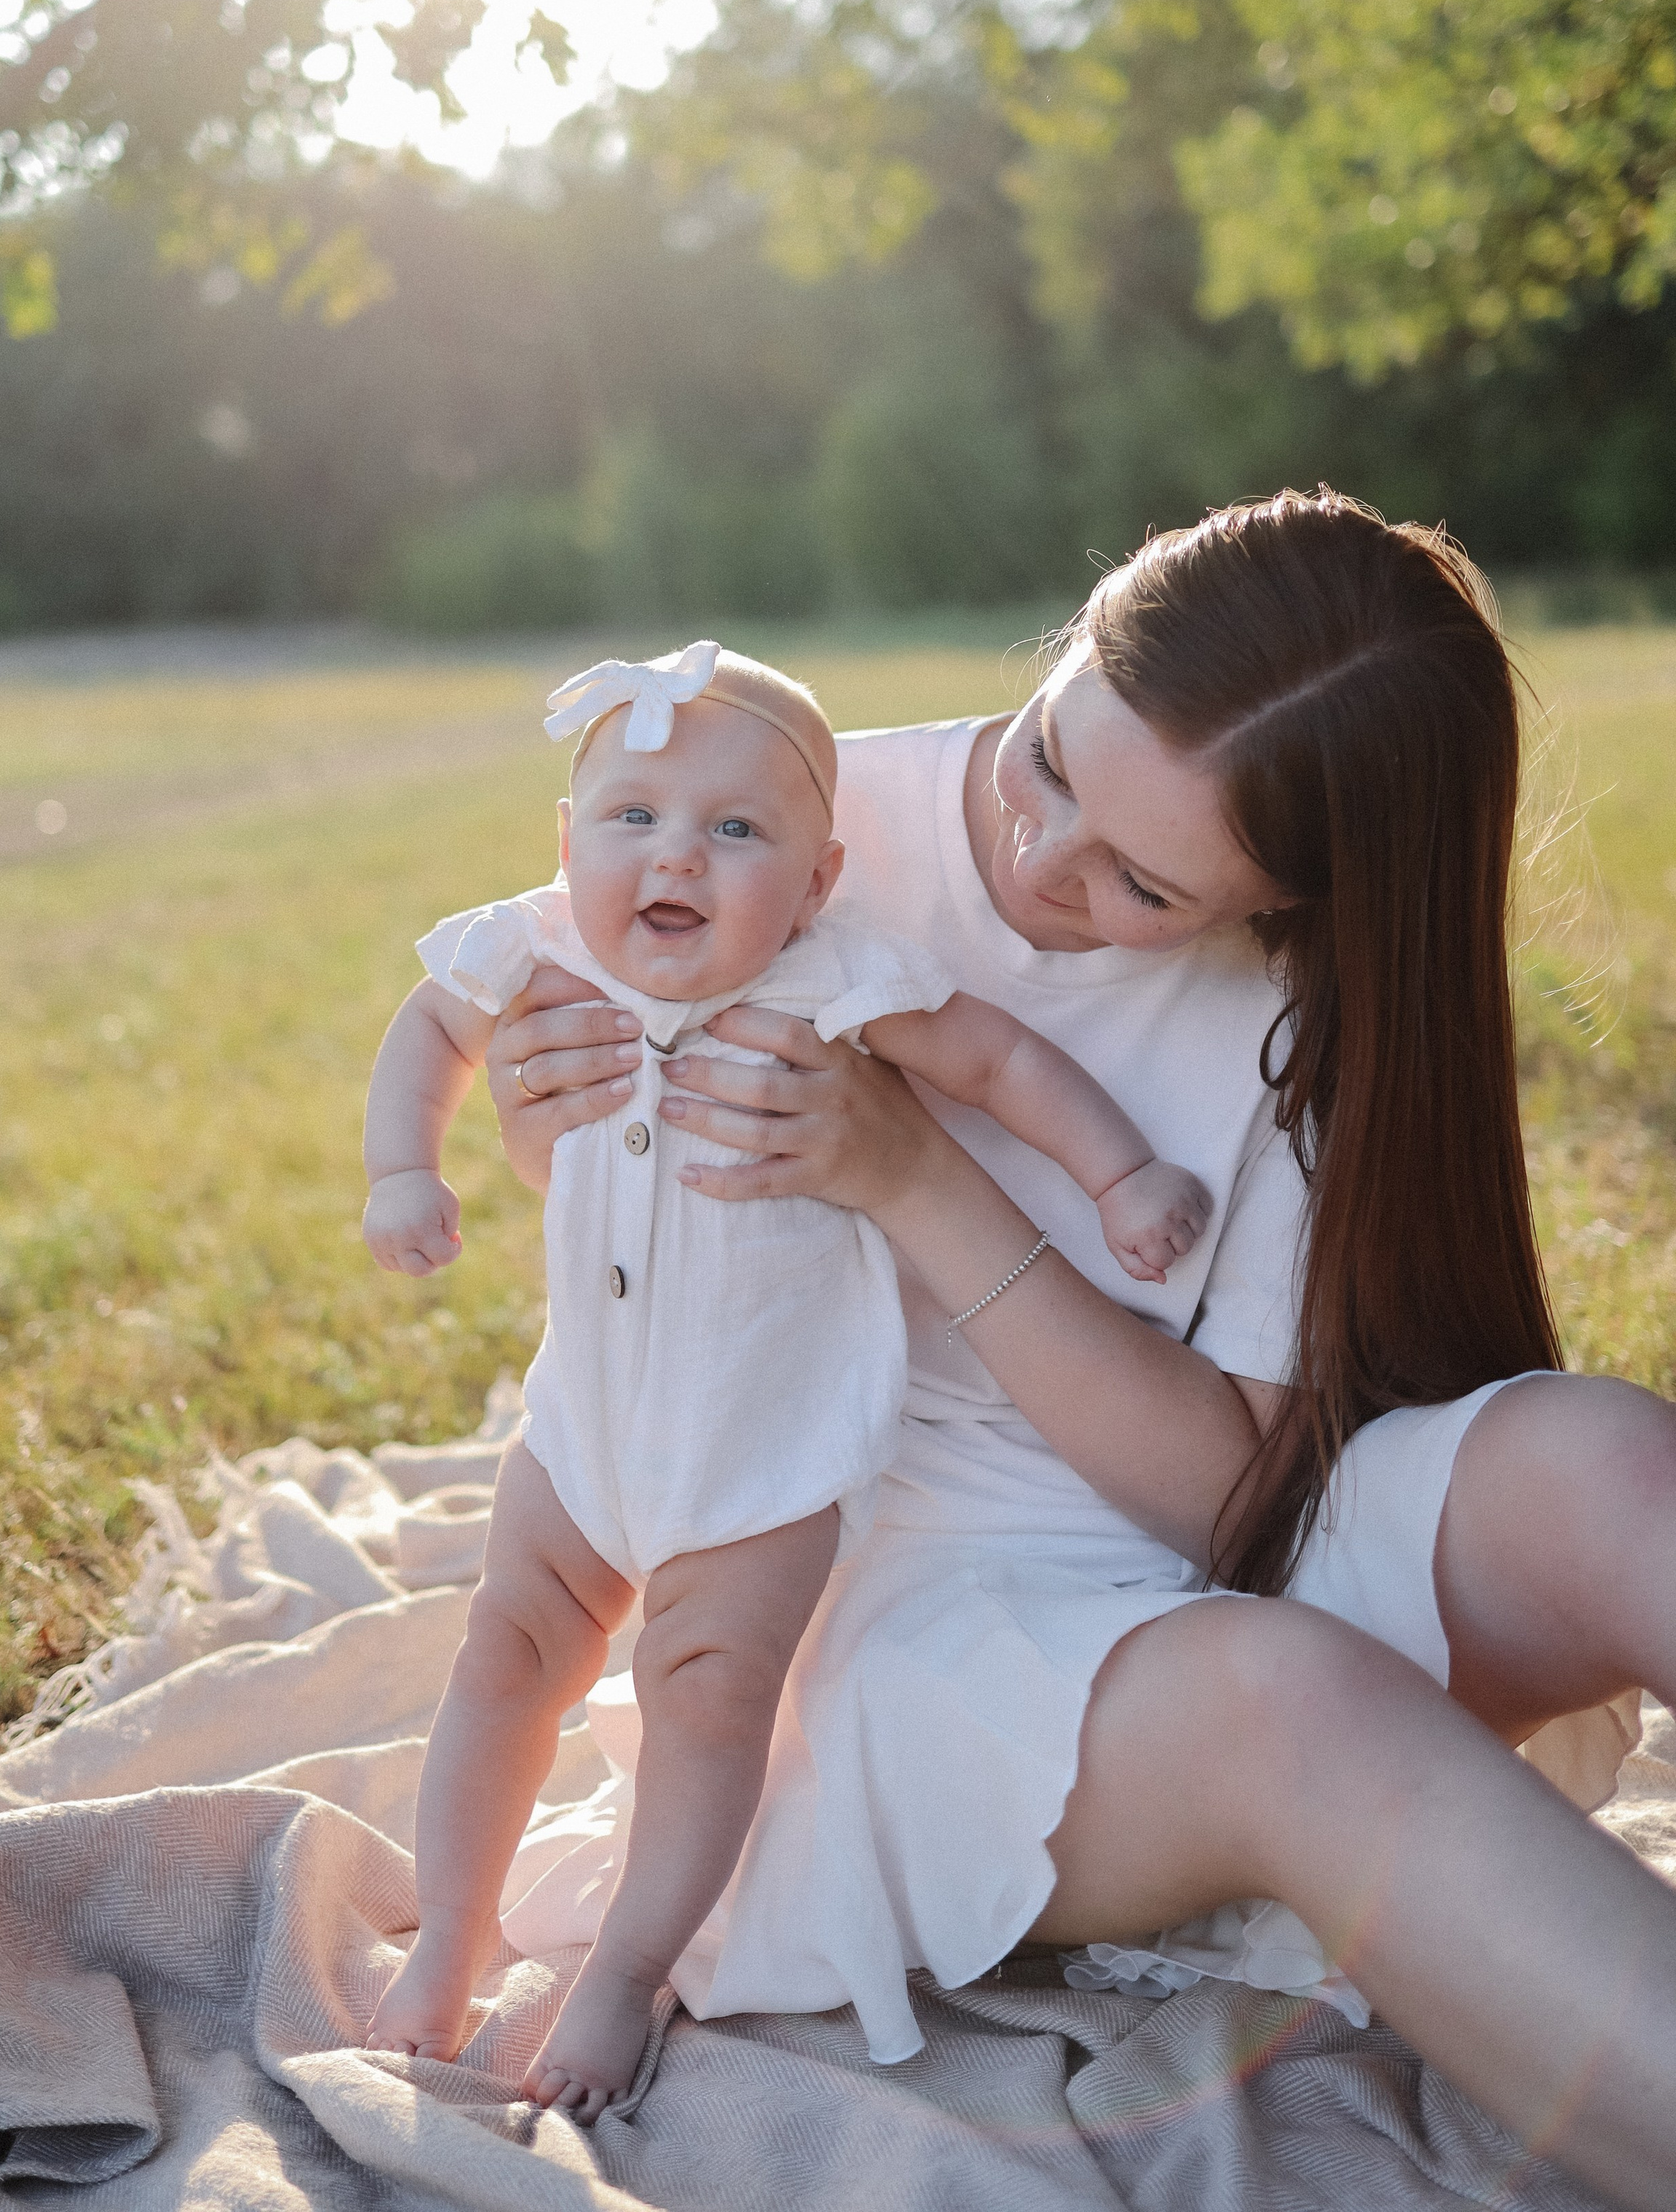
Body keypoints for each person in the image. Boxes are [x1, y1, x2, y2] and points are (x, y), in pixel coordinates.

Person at [485, 490, 1676, 2212]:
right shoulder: (777, 818)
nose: (1043, 859)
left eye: (1141, 882)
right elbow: (602, 1178)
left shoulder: (1302, 999)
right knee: (1287, 1699)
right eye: (1048, 758)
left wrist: (915, 1177)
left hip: (1187, 1539)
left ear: (1295, 896)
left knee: (1599, 1459)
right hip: (866, 1622)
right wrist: (543, 1122)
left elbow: (1228, 1510)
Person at [360, 640, 1210, 2116]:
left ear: (815, 884)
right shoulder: (539, 944)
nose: (674, 855)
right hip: (582, 1434)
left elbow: (998, 1064)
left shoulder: (835, 981)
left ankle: (625, 1968)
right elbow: (431, 1024)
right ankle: (448, 1934)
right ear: (566, 842)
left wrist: (1121, 1172)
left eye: (735, 829)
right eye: (632, 817)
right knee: (505, 1654)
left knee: (707, 1697)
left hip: (765, 1456)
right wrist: (401, 1169)